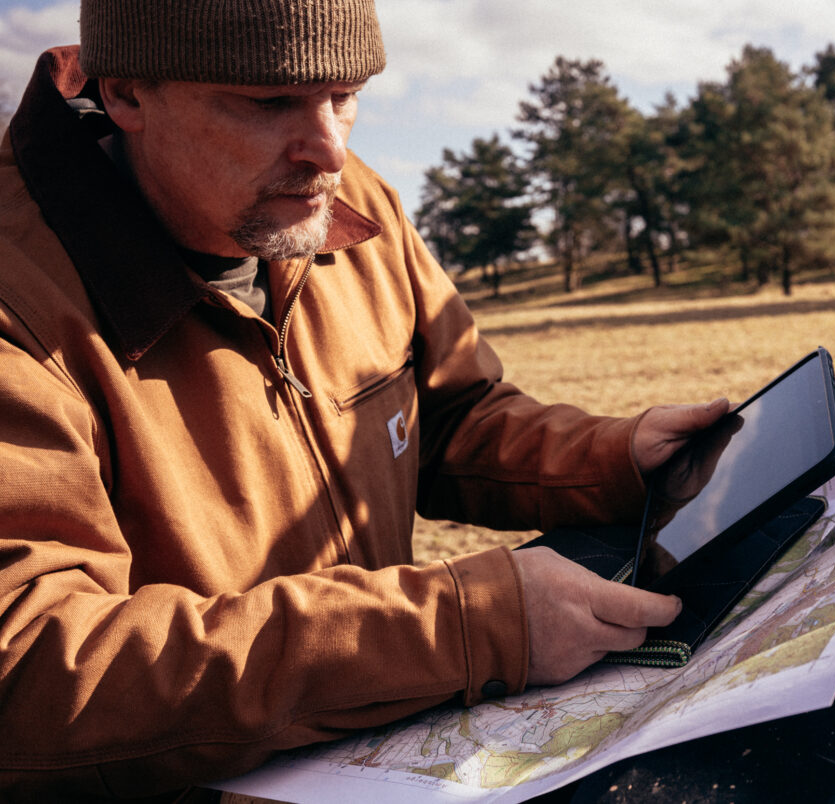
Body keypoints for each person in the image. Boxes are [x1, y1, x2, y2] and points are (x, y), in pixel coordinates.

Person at [0, 1, 727, 798]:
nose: (331, 150)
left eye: (345, 94)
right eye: (268, 101)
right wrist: (457, 627)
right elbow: (33, 665)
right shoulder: (19, 302)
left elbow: (449, 418)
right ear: (128, 94)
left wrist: (617, 456)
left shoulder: (350, 205)